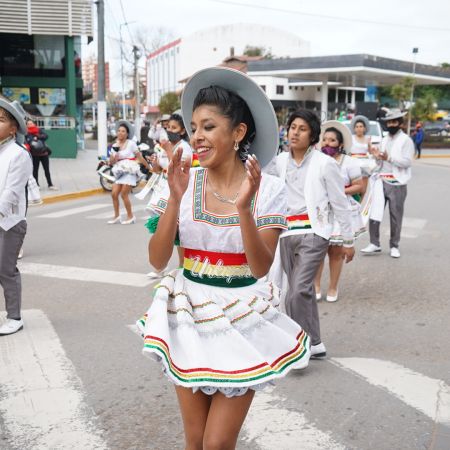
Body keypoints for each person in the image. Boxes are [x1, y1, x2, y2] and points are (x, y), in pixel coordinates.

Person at [137, 67, 311, 450]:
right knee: (195, 440)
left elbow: (261, 266)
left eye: (209, 126)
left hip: (241, 316)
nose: (197, 136)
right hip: (187, 314)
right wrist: (176, 199)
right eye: (194, 127)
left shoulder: (269, 189)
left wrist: (245, 210)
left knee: (217, 444)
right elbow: (156, 258)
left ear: (237, 133)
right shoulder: (182, 180)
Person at [264, 109, 354, 359]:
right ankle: (315, 343)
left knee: (298, 290)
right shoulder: (279, 161)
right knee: (299, 290)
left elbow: (339, 203)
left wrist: (347, 240)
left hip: (315, 232)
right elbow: (263, 185)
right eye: (293, 127)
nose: (295, 132)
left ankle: (299, 347)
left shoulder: (326, 164)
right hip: (286, 234)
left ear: (313, 135)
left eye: (302, 129)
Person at [314, 121, 364, 302]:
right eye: (325, 140)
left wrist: (338, 192)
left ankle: (333, 287)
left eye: (332, 140)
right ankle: (316, 285)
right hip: (321, 212)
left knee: (336, 252)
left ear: (340, 144)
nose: (327, 143)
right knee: (318, 251)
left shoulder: (349, 162)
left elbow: (359, 186)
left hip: (341, 210)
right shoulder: (316, 161)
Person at [145, 112, 194, 279]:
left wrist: (168, 150)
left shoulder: (184, 147)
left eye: (174, 127)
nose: (170, 130)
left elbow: (180, 170)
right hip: (164, 189)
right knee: (162, 228)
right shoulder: (165, 146)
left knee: (180, 232)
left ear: (182, 131)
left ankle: (183, 266)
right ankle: (160, 266)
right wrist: (153, 164)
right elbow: (158, 169)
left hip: (179, 191)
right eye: (168, 127)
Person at [361, 110, 414, 258]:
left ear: (400, 124)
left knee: (395, 215)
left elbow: (407, 162)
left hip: (397, 182)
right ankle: (374, 243)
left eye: (394, 122)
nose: (391, 124)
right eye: (389, 122)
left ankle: (394, 245)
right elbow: (380, 160)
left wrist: (389, 158)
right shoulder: (384, 139)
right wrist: (375, 155)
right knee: (375, 212)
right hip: (380, 180)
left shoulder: (406, 140)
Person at [0, 99, 32, 335]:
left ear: (13, 129)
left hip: (9, 222)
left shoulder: (18, 155)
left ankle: (14, 317)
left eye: (1, 120)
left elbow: (10, 193)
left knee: (5, 269)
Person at [107, 120, 149, 225]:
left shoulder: (131, 144)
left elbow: (139, 157)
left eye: (123, 131)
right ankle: (116, 216)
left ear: (127, 134)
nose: (120, 133)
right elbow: (112, 162)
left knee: (124, 194)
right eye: (119, 131)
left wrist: (148, 167)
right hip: (120, 170)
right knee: (114, 193)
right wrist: (114, 156)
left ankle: (130, 216)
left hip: (130, 170)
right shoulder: (114, 146)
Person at [25, 119, 57, 190]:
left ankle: (50, 184)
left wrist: (37, 136)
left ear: (34, 124)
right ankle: (36, 185)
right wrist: (33, 139)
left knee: (47, 170)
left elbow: (46, 136)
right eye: (28, 124)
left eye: (31, 123)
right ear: (26, 125)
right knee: (35, 170)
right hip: (34, 154)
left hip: (44, 154)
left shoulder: (39, 130)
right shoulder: (26, 133)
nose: (30, 125)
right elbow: (28, 141)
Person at [349, 115, 376, 195]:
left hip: (365, 165)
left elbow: (371, 152)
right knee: (354, 188)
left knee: (363, 190)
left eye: (361, 126)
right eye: (357, 127)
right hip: (353, 164)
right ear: (354, 129)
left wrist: (371, 147)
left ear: (364, 128)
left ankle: (361, 206)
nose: (359, 128)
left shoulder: (368, 139)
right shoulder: (351, 138)